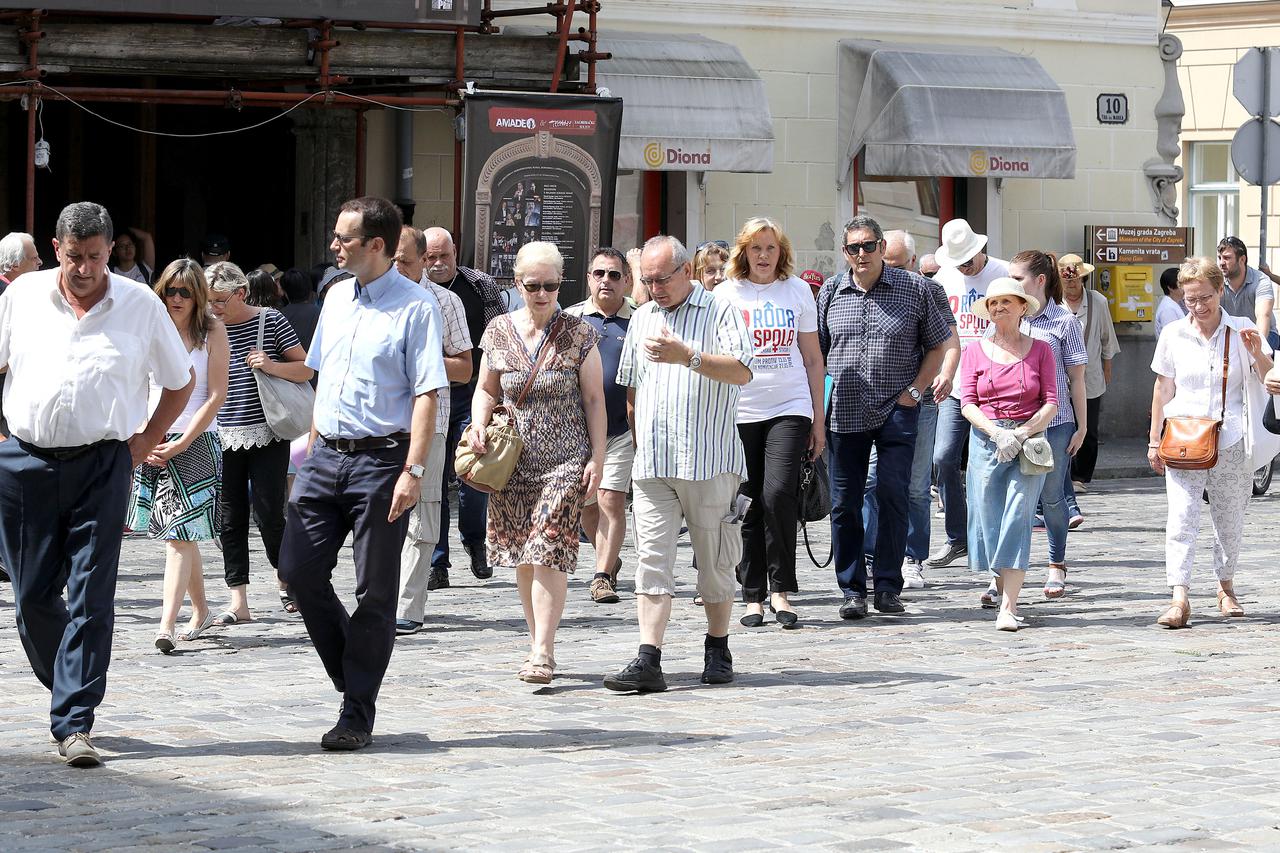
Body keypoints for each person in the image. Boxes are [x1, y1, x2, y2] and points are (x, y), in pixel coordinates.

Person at [0, 201, 193, 767]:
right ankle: (69, 682)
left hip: (104, 464)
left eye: (94, 257)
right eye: (73, 256)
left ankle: (74, 720)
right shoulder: (22, 297)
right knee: (32, 597)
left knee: (91, 592)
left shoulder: (139, 306)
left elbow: (178, 383)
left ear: (110, 251)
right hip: (25, 463)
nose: (83, 269)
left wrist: (144, 441)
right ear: (55, 248)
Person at [279, 196, 448, 751]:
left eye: (344, 238)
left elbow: (427, 393)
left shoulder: (417, 307)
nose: (334, 245)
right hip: (324, 455)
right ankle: (355, 676)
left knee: (375, 590)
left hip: (382, 460)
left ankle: (357, 710)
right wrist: (307, 444)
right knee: (298, 571)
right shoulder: (334, 296)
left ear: (376, 245)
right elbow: (320, 374)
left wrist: (413, 470)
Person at [605, 235, 753, 692]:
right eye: (646, 280)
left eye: (661, 279)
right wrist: (642, 439)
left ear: (686, 271)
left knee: (714, 561)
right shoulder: (642, 316)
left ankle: (717, 645)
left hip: (708, 459)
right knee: (651, 560)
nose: (654, 288)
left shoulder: (719, 309)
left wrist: (687, 356)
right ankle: (649, 658)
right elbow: (630, 388)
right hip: (652, 462)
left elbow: (742, 369)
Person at [468, 241, 606, 682]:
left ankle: (544, 650)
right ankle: (535, 641)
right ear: (517, 284)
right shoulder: (498, 332)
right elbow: (487, 389)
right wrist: (476, 424)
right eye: (534, 286)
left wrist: (597, 457)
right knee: (524, 556)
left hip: (565, 458)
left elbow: (594, 399)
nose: (543, 293)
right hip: (510, 461)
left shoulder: (579, 333)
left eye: (551, 285)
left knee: (548, 548)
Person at [818, 216, 952, 619]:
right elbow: (817, 354)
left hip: (897, 410)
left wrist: (915, 391)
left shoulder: (915, 289)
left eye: (869, 245)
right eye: (853, 247)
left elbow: (939, 345)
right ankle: (852, 589)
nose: (862, 254)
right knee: (844, 503)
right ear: (845, 252)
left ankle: (888, 587)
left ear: (881, 247)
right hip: (844, 410)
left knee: (894, 496)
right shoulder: (830, 291)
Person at [1148, 257, 1273, 628]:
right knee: (1182, 517)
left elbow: (1269, 379)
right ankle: (1179, 597)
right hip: (1184, 439)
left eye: (1205, 297)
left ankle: (1225, 587)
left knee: (1229, 519)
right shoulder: (1173, 333)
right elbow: (1162, 387)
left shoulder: (1243, 329)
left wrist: (1257, 355)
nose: (1199, 306)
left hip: (1231, 437)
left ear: (1220, 291)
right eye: (1190, 300)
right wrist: (1154, 439)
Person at [714, 217, 824, 628]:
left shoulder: (797, 292)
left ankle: (781, 590)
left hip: (790, 404)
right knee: (749, 500)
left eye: (771, 248)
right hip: (739, 409)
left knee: (779, 494)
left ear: (782, 253)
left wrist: (818, 420)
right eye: (756, 248)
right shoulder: (724, 294)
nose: (763, 256)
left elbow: (813, 359)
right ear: (743, 251)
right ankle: (752, 593)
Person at [127, 259, 229, 652]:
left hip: (197, 439)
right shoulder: (151, 329)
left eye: (186, 291)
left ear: (199, 296)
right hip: (153, 435)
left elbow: (216, 395)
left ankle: (165, 625)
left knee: (179, 538)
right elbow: (137, 385)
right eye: (171, 289)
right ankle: (201, 609)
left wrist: (182, 442)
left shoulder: (212, 331)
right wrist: (144, 437)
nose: (177, 298)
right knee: (182, 536)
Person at [207, 261, 312, 624]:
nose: (214, 308)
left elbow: (306, 369)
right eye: (209, 301)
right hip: (221, 432)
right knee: (229, 520)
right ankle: (238, 600)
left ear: (240, 293)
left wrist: (270, 365)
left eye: (220, 300)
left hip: (267, 431)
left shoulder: (270, 320)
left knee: (270, 515)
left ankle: (287, 580)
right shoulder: (207, 326)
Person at [959, 277, 1058, 631]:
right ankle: (1000, 584)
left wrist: (1021, 432)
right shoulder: (973, 351)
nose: (999, 308)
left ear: (1021, 307)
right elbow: (968, 403)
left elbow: (1051, 401)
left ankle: (1009, 606)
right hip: (986, 441)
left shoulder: (1041, 349)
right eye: (993, 303)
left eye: (1006, 302)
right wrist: (996, 432)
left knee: (1018, 517)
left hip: (1028, 443)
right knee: (990, 521)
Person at [862, 230, 959, 589]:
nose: (889, 271)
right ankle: (871, 555)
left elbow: (950, 341)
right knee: (871, 481)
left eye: (898, 265)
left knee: (916, 485)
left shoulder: (929, 291)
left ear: (913, 263)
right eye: (885, 264)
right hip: (873, 401)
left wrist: (943, 377)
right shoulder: (865, 287)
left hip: (919, 400)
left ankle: (912, 557)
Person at [394, 226, 475, 634]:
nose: (398, 268)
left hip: (433, 423)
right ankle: (376, 597)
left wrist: (422, 359)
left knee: (422, 511)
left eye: (406, 261)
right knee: (375, 513)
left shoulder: (445, 301)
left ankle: (408, 605)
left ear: (424, 259)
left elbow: (464, 367)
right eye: (392, 260)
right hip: (377, 425)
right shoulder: (370, 298)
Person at [423, 226, 505, 589]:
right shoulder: (416, 292)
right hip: (435, 394)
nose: (438, 264)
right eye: (431, 257)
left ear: (456, 252)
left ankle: (474, 540)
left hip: (474, 393)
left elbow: (500, 334)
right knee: (436, 478)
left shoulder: (479, 285)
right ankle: (437, 561)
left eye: (444, 256)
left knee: (475, 471)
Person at [927, 219, 1010, 571]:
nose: (965, 266)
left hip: (994, 386)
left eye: (970, 259)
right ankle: (957, 537)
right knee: (943, 458)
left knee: (987, 468)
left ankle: (990, 540)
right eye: (959, 261)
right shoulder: (944, 278)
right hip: (955, 383)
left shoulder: (1003, 273)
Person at [1005, 250, 1087, 604]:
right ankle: (1005, 571)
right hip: (1014, 422)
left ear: (1040, 280)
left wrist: (1082, 427)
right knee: (1014, 501)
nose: (1012, 285)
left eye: (1019, 278)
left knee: (1052, 498)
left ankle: (1056, 563)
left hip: (1056, 424)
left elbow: (1077, 379)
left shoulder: (1063, 322)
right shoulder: (1010, 319)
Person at [565, 247, 636, 605]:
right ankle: (609, 554)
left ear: (626, 280)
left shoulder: (640, 318)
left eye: (614, 274)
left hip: (622, 428)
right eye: (599, 274)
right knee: (586, 504)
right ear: (589, 278)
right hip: (578, 430)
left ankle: (602, 575)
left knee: (610, 500)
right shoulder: (571, 319)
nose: (606, 280)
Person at [1059, 253, 1120, 502]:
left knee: (1088, 427)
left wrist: (1107, 366)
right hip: (1060, 376)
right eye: (1067, 281)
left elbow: (1107, 337)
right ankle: (1062, 473)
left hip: (1090, 374)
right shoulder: (1052, 302)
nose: (1072, 285)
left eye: (1076, 280)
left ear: (1083, 279)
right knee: (1062, 425)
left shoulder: (1098, 302)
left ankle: (1081, 476)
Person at [1216, 236, 1274, 342]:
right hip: (1231, 334)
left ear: (1242, 259)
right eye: (1220, 258)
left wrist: (1259, 349)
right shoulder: (1217, 282)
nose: (1221, 263)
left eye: (1227, 258)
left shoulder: (1261, 281)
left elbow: (1263, 316)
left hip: (1264, 334)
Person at [279, 267, 321, 351]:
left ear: (285, 292)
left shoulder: (279, 316)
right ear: (310, 290)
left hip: (289, 363)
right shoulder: (320, 313)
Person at [1154, 267, 1186, 339]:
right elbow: (1172, 337)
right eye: (1181, 284)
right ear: (1170, 287)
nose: (1185, 287)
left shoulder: (1174, 304)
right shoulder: (1168, 309)